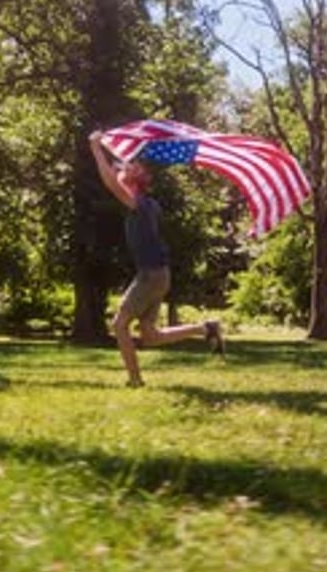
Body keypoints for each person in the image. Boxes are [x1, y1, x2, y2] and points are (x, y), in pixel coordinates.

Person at [89, 130, 225, 386]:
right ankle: (206, 329)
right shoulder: (146, 203)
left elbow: (110, 182)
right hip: (157, 274)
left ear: (138, 178)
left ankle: (135, 380)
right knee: (150, 335)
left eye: (134, 165)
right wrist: (119, 162)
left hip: (151, 275)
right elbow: (117, 176)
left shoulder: (137, 202)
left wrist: (96, 148)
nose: (127, 164)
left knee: (119, 326)